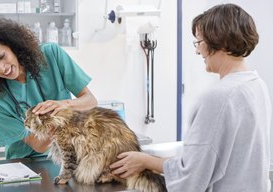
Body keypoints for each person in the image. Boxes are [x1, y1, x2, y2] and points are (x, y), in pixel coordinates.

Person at [110, 3, 271, 191]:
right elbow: (208, 161)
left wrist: (146, 160)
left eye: (200, 42)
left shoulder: (218, 97)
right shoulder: (256, 85)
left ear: (221, 42)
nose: (197, 51)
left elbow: (191, 177)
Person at [0, 17, 97, 159]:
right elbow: (39, 146)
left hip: (67, 156)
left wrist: (64, 105)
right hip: (27, 164)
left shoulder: (51, 54)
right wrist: (55, 118)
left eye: (2, 56)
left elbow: (90, 101)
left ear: (12, 45)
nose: (2, 68)